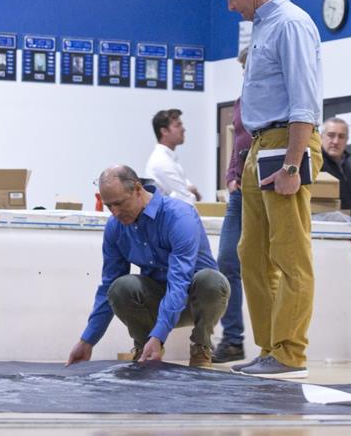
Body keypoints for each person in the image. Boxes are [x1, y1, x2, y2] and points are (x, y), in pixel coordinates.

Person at [220, 0, 323, 378]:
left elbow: (304, 102)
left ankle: (290, 352)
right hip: (259, 146)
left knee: (290, 254)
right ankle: (269, 348)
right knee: (252, 255)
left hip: (286, 145)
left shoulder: (291, 24)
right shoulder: (262, 27)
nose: (229, 6)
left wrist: (294, 165)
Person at [66, 165, 230, 369]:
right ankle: (145, 347)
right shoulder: (115, 227)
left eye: (119, 203)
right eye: (109, 206)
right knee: (120, 287)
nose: (115, 212)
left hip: (194, 301)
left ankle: (201, 346)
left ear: (137, 188)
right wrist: (87, 341)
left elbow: (179, 282)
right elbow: (107, 286)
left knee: (212, 281)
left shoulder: (179, 217)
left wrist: (159, 335)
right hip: (157, 301)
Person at [212, 48, 251, 364]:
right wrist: (230, 176)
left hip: (261, 190)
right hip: (239, 193)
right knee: (226, 261)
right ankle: (233, 339)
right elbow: (238, 142)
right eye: (244, 68)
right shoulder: (242, 100)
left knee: (266, 269)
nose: (246, 72)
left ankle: (277, 345)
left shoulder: (272, 100)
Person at [145, 109, 202, 204]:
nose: (183, 129)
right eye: (178, 125)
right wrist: (191, 191)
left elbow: (191, 193)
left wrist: (190, 191)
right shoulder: (161, 161)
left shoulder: (169, 159)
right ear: (164, 131)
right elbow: (186, 200)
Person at [320, 117, 351, 220]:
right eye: (331, 135)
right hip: (321, 232)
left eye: (341, 136)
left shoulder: (348, 168)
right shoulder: (315, 165)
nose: (336, 141)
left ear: (347, 140)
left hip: (347, 231)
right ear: (321, 137)